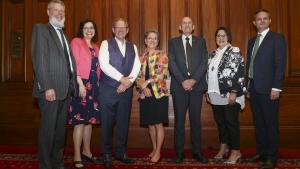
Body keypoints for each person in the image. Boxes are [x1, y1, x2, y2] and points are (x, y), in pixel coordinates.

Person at [31, 0, 77, 168]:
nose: (60, 13)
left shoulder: (64, 35)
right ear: (48, 12)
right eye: (56, 10)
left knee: (59, 133)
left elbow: (68, 63)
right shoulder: (41, 30)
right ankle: (45, 165)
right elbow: (40, 61)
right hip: (50, 90)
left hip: (65, 91)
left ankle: (57, 163)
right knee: (48, 132)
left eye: (62, 11)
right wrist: (47, 86)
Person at [246, 9, 286, 169]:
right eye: (258, 19)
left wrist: (276, 87)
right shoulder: (251, 41)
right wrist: (247, 86)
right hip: (254, 88)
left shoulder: (277, 39)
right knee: (259, 123)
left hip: (270, 89)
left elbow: (280, 64)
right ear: (254, 23)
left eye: (265, 19)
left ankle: (271, 156)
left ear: (269, 21)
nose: (261, 21)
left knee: (270, 124)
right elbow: (249, 65)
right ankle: (262, 152)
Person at [98, 18, 141, 168]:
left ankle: (120, 152)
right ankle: (107, 153)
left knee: (123, 122)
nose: (121, 30)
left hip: (126, 90)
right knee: (107, 123)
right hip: (108, 90)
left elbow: (137, 67)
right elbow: (104, 64)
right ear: (113, 29)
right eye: (118, 27)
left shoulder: (133, 47)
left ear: (127, 30)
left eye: (124, 28)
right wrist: (121, 79)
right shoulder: (105, 44)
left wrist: (127, 83)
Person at [168, 16, 208, 164]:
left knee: (195, 121)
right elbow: (171, 63)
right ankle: (179, 153)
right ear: (180, 27)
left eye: (189, 23)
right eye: (184, 23)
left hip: (197, 87)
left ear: (193, 27)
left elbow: (204, 62)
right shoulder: (173, 42)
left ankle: (197, 152)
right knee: (179, 121)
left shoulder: (201, 41)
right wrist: (183, 81)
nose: (186, 25)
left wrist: (193, 80)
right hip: (179, 87)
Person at [206, 27, 245, 164]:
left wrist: (234, 92)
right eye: (218, 36)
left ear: (228, 37)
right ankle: (224, 147)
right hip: (215, 94)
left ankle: (236, 151)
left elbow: (239, 72)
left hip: (229, 94)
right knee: (221, 123)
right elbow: (209, 74)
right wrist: (208, 91)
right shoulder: (212, 54)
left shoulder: (234, 51)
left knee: (231, 123)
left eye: (223, 35)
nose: (220, 38)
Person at [67, 19, 101, 169]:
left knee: (89, 122)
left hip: (94, 87)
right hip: (82, 84)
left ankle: (87, 152)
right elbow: (73, 63)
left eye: (91, 28)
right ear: (81, 30)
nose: (89, 30)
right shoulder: (76, 42)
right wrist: (80, 84)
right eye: (86, 27)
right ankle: (77, 155)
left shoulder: (96, 47)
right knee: (80, 121)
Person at [136, 29, 169, 164]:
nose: (152, 40)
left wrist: (146, 83)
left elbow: (160, 74)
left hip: (159, 94)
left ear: (158, 41)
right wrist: (142, 89)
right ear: (145, 41)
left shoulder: (162, 55)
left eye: (155, 38)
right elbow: (137, 77)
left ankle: (158, 152)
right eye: (150, 38)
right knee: (150, 124)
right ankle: (154, 149)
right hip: (145, 94)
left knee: (158, 124)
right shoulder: (141, 57)